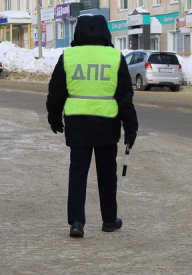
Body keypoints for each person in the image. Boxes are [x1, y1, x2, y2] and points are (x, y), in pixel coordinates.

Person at [46, 14, 139, 238]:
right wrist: (131, 127)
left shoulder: (68, 56)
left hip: (77, 124)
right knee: (107, 174)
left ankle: (77, 222)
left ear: (78, 33)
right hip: (107, 124)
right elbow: (125, 98)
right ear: (105, 33)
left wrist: (55, 118)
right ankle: (108, 220)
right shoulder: (115, 57)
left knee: (78, 173)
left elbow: (56, 92)